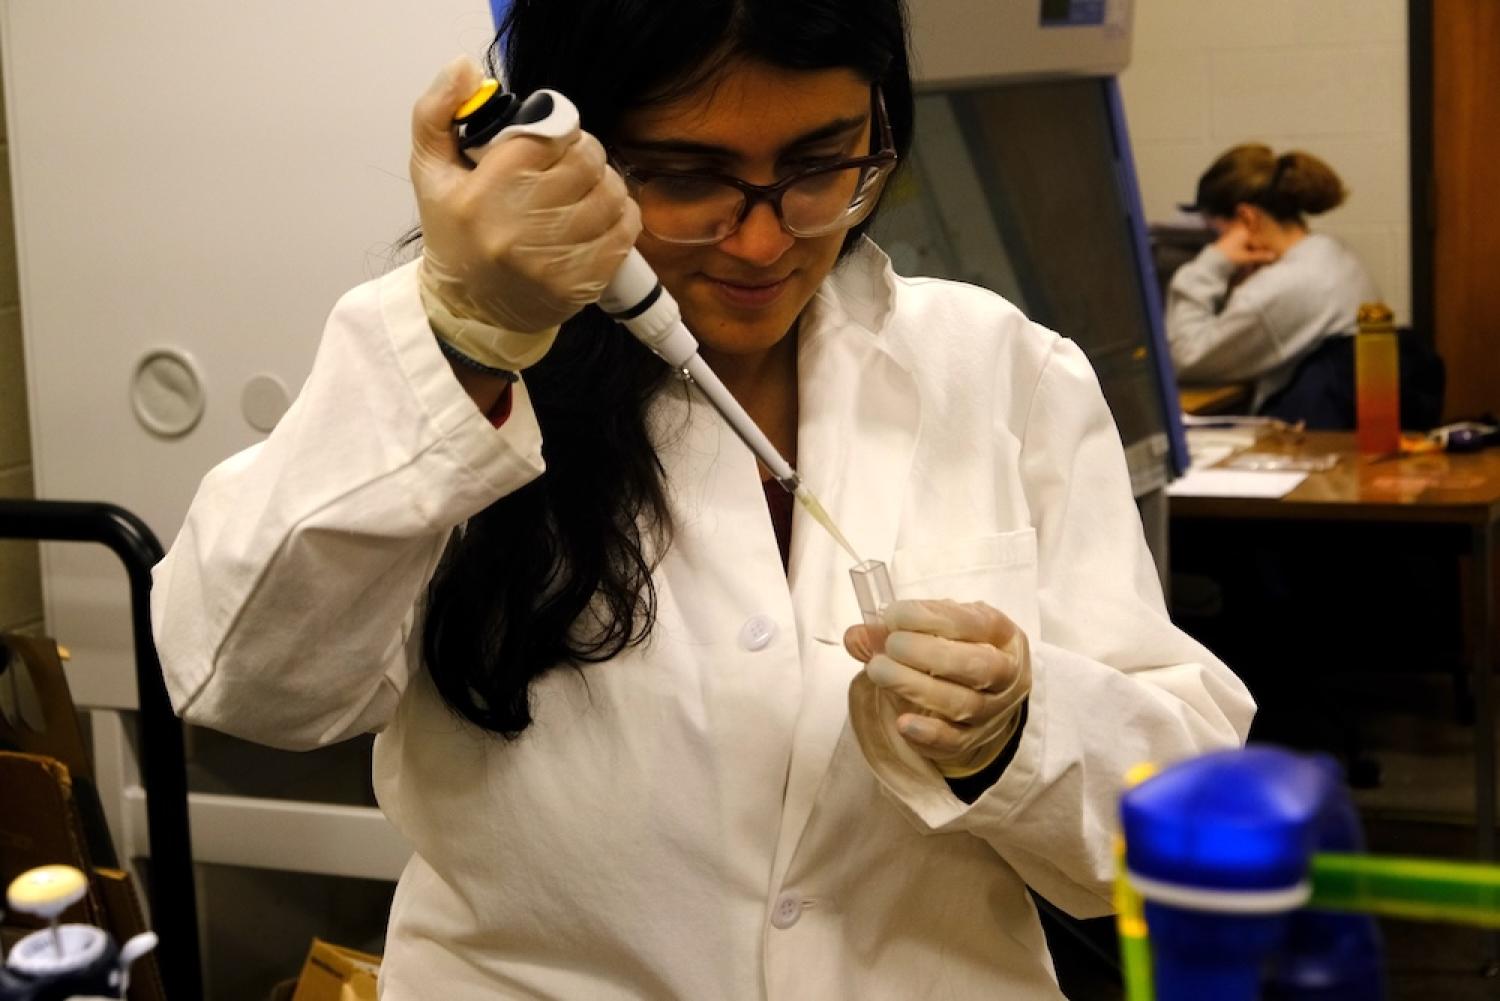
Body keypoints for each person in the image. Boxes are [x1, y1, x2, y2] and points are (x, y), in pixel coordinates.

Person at [151, 1, 1253, 997]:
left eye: (821, 164)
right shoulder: (456, 369)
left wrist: (1018, 737)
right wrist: (464, 343)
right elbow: (242, 677)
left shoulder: (1002, 370)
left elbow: (1189, 823)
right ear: (573, 150)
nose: (766, 239)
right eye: (688, 176)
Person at [1166, 143, 1377, 413]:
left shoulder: (1283, 286)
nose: (1216, 242)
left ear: (1247, 218)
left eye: (1216, 232)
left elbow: (1185, 360)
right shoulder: (1333, 255)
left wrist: (1212, 263)